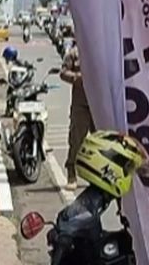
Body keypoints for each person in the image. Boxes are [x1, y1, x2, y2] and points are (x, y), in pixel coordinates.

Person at [60, 39, 93, 188]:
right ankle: (71, 172)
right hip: (81, 103)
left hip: (100, 103)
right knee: (76, 140)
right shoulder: (74, 53)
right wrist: (76, 78)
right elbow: (63, 72)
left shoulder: (102, 52)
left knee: (103, 141)